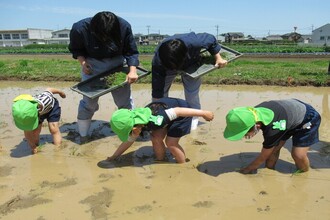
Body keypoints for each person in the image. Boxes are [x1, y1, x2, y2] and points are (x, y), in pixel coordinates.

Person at [68, 11, 139, 143]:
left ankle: (131, 133)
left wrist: (132, 71)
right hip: (92, 65)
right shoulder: (80, 28)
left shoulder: (124, 26)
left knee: (124, 102)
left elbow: (131, 51)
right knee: (89, 103)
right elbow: (77, 49)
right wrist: (83, 63)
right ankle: (83, 136)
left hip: (117, 64)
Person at [151, 32, 228, 130]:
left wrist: (218, 58)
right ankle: (161, 120)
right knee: (161, 95)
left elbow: (211, 39)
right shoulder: (159, 61)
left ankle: (193, 120)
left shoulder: (194, 42)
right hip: (165, 68)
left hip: (190, 63)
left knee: (192, 93)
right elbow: (157, 91)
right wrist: (157, 109)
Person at [223, 99, 321, 174]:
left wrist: (249, 168)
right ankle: (269, 168)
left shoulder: (272, 131)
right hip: (286, 119)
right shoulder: (253, 114)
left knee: (298, 155)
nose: (245, 136)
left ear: (256, 126)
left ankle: (303, 173)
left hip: (307, 118)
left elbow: (264, 155)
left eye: (245, 134)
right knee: (274, 149)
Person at [107, 97, 214, 163]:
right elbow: (128, 141)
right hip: (166, 111)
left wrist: (204, 113)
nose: (133, 135)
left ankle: (182, 164)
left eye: (131, 132)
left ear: (135, 127)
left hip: (182, 112)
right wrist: (114, 156)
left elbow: (178, 111)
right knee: (155, 137)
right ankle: (160, 159)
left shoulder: (158, 119)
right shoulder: (138, 121)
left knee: (171, 143)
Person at [12, 88, 66, 154]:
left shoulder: (46, 99)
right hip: (37, 113)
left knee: (53, 128)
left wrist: (61, 92)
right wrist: (33, 146)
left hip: (52, 108)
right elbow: (27, 133)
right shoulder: (22, 111)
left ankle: (58, 148)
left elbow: (49, 90)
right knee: (35, 131)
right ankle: (36, 145)